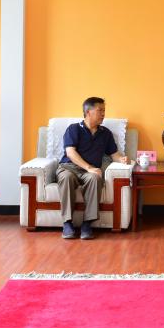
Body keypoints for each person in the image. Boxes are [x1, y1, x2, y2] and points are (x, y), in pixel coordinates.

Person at [57, 97, 130, 240]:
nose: (103, 114)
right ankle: (67, 223)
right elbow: (70, 152)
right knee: (66, 178)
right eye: (100, 110)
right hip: (69, 167)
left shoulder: (105, 133)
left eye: (104, 110)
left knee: (95, 178)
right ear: (88, 112)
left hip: (90, 172)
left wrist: (122, 159)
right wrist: (88, 167)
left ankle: (87, 224)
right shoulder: (74, 129)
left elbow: (114, 154)